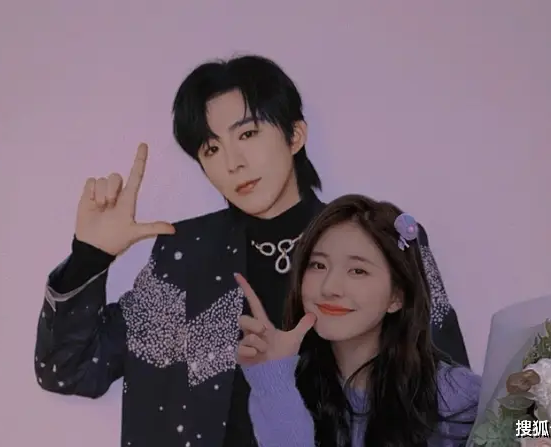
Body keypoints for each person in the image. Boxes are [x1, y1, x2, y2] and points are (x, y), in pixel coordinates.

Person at [33, 55, 470, 447]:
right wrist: (90, 257)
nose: (233, 162)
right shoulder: (185, 256)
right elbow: (69, 369)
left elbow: (452, 408)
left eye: (248, 133)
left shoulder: (378, 240)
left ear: (295, 135)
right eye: (212, 148)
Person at [235, 194, 481, 447]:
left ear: (396, 296)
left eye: (358, 271)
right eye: (318, 265)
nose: (329, 288)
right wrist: (274, 381)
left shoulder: (456, 397)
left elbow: (509, 425)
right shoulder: (286, 388)